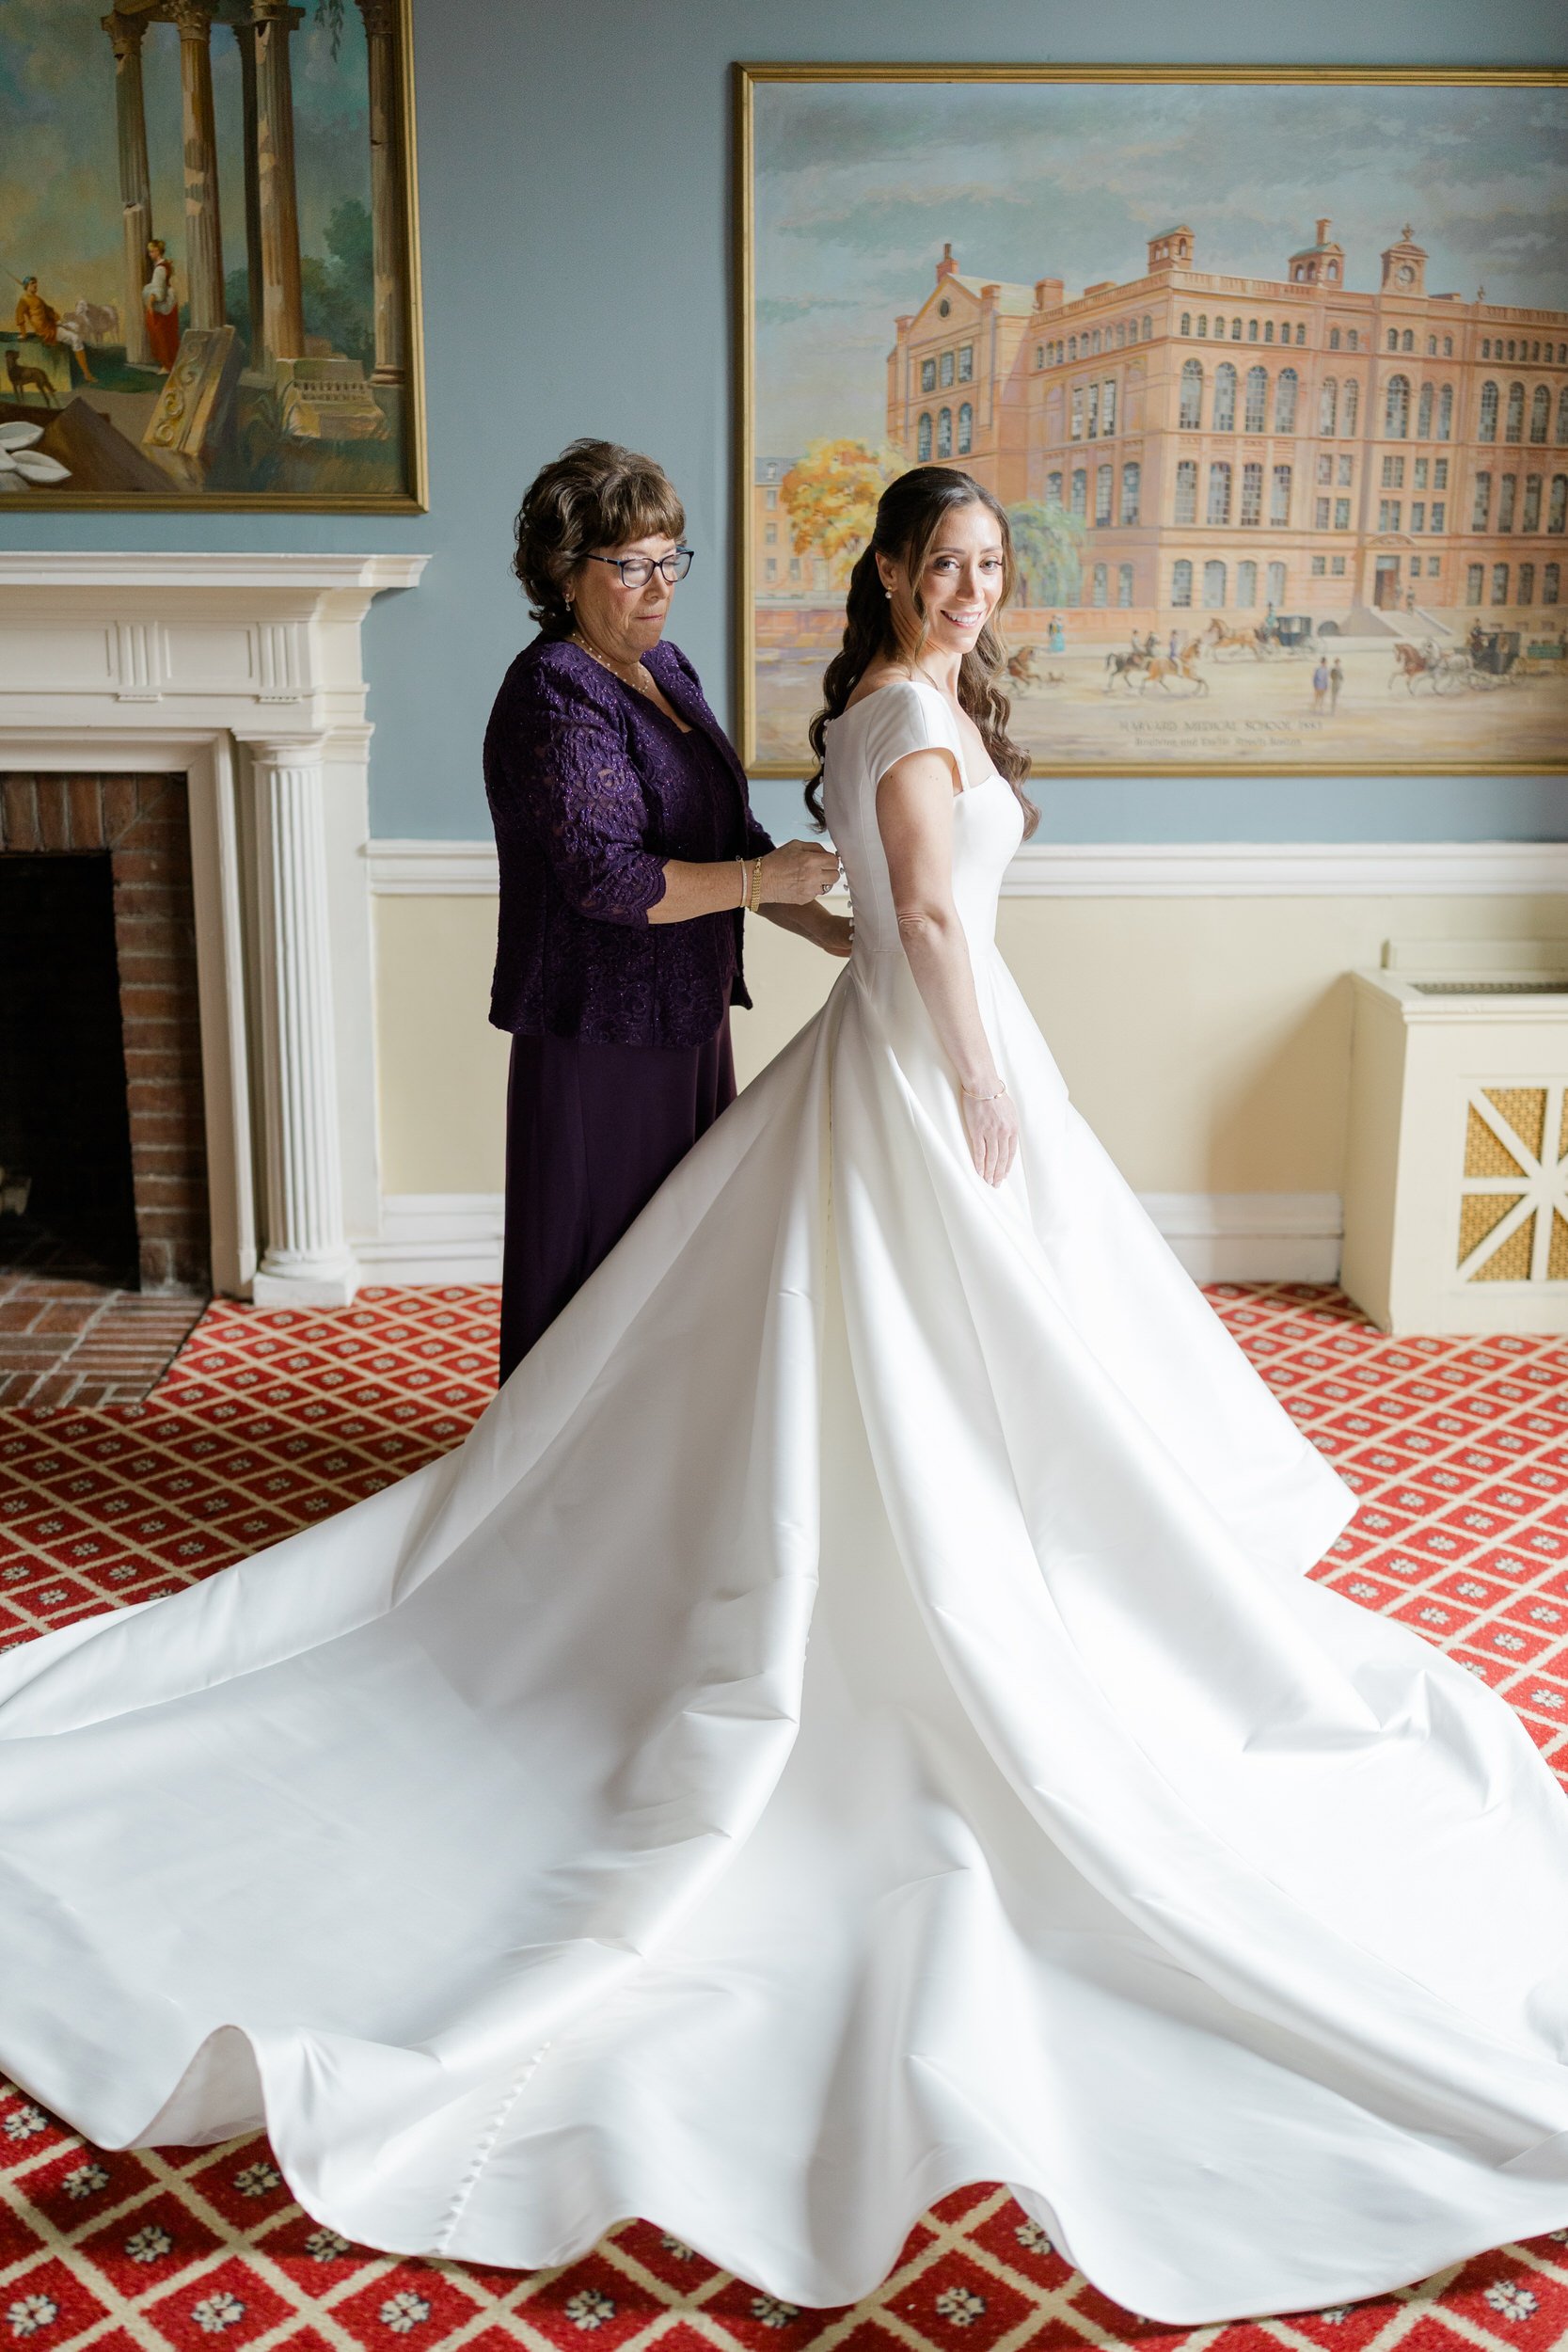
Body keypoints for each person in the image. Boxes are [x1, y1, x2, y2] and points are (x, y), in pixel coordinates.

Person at [1, 465, 1567, 2324]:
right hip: (864, 1058)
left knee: (793, 1346)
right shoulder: (846, 710)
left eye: (993, 564)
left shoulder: (840, 700)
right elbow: (906, 912)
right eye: (947, 562)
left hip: (857, 1044)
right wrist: (980, 1084)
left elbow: (870, 911)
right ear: (890, 570)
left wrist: (898, 994)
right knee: (816, 1347)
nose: (974, 588)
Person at [485, 439, 842, 1381]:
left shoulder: (667, 670)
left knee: (674, 1266)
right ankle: (560, 1489)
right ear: (564, 572)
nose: (659, 585)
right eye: (630, 564)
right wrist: (767, 885)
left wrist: (820, 924)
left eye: (669, 557)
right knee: (603, 1273)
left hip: (681, 1022)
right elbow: (609, 877)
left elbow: (720, 833)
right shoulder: (554, 691)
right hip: (597, 1035)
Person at [12, 275, 95, 382]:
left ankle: (86, 370)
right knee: (75, 338)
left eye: (36, 283)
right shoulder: (24, 300)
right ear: (27, 286)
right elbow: (19, 317)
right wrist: (23, 334)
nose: (36, 285)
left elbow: (48, 310)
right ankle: (87, 374)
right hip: (45, 331)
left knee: (74, 327)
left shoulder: (37, 299)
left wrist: (57, 320)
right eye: (32, 283)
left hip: (52, 325)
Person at [142, 239, 179, 371]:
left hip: (162, 305)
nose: (150, 254)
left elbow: (158, 288)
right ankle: (169, 363)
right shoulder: (164, 264)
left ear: (158, 251)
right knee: (167, 333)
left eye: (152, 251)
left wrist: (150, 303)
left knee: (160, 334)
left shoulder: (159, 268)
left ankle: (167, 364)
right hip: (168, 303)